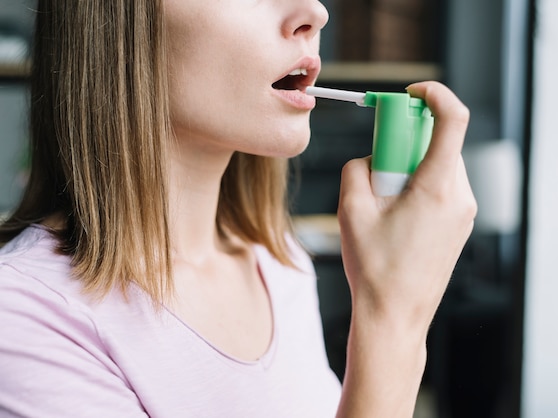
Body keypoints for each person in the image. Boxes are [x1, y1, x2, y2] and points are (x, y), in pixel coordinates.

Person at [0, 0, 476, 417]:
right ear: (115, 18)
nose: (315, 11)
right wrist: (394, 320)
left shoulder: (277, 260)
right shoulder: (26, 321)